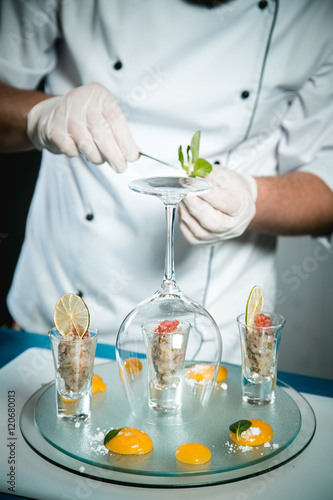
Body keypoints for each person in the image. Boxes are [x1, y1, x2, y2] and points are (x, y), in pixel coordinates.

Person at [0, 0, 332, 364]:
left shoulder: (316, 15)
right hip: (66, 310)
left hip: (216, 325)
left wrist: (252, 198)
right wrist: (39, 114)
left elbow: (326, 187)